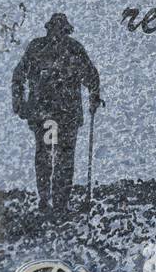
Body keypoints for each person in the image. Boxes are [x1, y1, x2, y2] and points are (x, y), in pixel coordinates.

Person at [11, 13, 103, 215]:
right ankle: (47, 201)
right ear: (49, 29)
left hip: (64, 117)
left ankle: (58, 203)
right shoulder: (39, 48)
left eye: (60, 31)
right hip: (47, 116)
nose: (57, 35)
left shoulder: (73, 49)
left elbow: (91, 76)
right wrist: (18, 102)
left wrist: (94, 96)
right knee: (49, 156)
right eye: (55, 30)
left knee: (61, 158)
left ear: (65, 31)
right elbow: (18, 77)